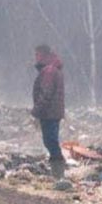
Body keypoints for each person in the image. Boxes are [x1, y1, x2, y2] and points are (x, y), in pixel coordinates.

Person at [31, 44, 65, 179]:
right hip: (53, 112)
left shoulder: (49, 71)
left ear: (43, 55)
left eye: (37, 54)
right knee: (51, 141)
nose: (35, 58)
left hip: (49, 113)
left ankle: (58, 174)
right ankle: (57, 174)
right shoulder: (52, 69)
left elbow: (46, 93)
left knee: (51, 141)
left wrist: (36, 111)